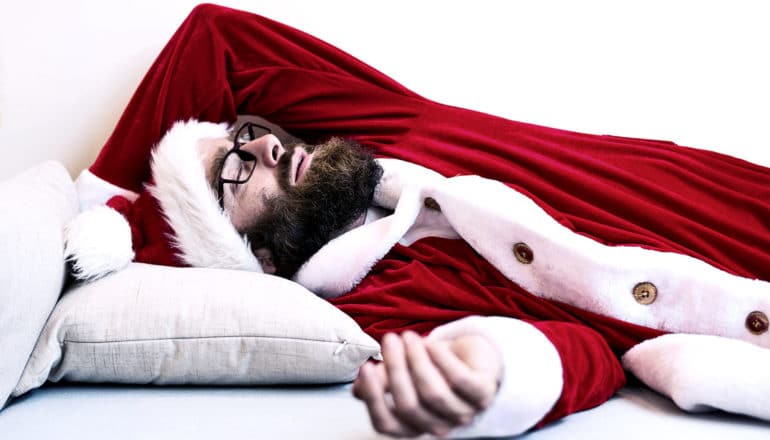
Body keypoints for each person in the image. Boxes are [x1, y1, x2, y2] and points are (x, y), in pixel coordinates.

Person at [66, 4, 770, 438]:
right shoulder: (379, 303)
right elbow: (580, 357)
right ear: (257, 260)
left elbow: (217, 36)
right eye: (232, 171)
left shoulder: (388, 129)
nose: (265, 144)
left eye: (245, 131)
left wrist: (102, 198)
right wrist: (491, 378)